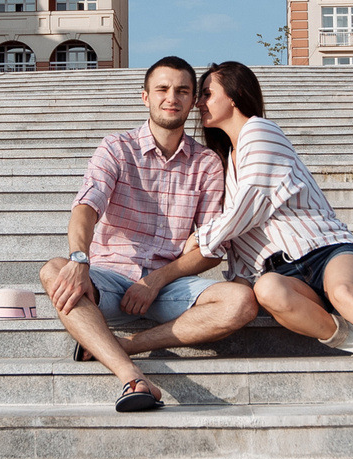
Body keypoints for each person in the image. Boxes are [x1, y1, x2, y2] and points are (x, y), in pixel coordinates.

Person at [187, 60, 353, 414]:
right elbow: (239, 236)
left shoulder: (260, 132)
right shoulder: (227, 159)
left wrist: (202, 237)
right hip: (283, 274)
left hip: (326, 250)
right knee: (267, 290)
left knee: (343, 292)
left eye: (207, 93)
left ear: (234, 96)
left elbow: (251, 204)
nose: (199, 103)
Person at [38, 56, 260, 413]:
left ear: (193, 101)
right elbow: (86, 207)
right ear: (145, 97)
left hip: (167, 285)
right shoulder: (116, 148)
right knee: (53, 270)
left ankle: (125, 345)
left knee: (242, 301)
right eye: (162, 89)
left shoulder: (206, 163)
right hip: (109, 278)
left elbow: (212, 248)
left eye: (183, 91)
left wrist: (157, 280)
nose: (171, 97)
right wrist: (80, 258)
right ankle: (132, 377)